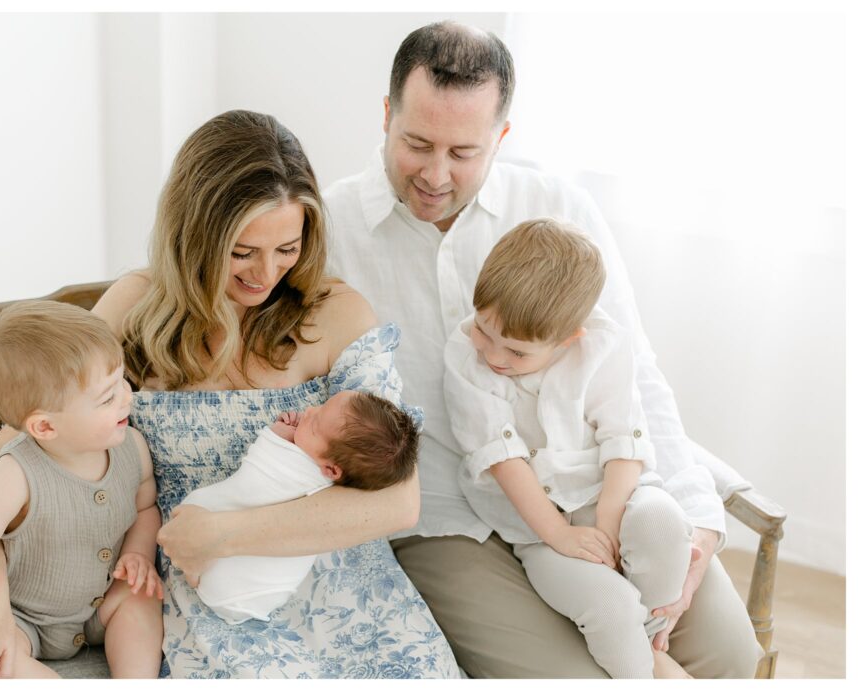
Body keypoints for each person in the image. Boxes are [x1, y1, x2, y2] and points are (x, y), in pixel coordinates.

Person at [322, 20, 763, 678]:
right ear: (385, 117)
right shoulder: (328, 229)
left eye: (463, 151)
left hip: (587, 485)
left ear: (501, 138)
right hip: (446, 518)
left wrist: (698, 515)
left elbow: (632, 370)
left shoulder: (558, 206)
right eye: (417, 143)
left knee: (728, 651)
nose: (435, 174)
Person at [0, 110, 459, 679]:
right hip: (215, 604)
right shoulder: (137, 308)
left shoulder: (338, 313)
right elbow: (5, 466)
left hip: (347, 593)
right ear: (193, 234)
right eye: (242, 251)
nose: (266, 274)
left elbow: (398, 500)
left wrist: (223, 534)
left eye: (288, 247)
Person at [444, 218, 695, 678]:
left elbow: (623, 435)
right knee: (609, 604)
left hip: (613, 488)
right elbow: (503, 459)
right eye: (484, 331)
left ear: (568, 339)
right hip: (539, 520)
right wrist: (558, 534)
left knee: (663, 522)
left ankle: (653, 630)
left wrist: (611, 517)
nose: (494, 356)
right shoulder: (466, 358)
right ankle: (644, 669)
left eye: (517, 353)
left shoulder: (601, 344)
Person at [0, 301, 163, 679]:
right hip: (23, 620)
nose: (127, 397)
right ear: (45, 427)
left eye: (122, 380)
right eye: (107, 397)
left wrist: (138, 553)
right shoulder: (14, 474)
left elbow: (146, 508)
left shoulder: (132, 448)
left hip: (101, 605)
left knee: (139, 600)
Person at [184, 389, 419, 624]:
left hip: (229, 580)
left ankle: (195, 566)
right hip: (262, 595)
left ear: (331, 470)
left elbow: (264, 466)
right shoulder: (343, 477)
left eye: (315, 424)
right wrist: (302, 432)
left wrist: (280, 434)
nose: (309, 410)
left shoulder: (309, 475)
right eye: (319, 408)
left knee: (194, 507)